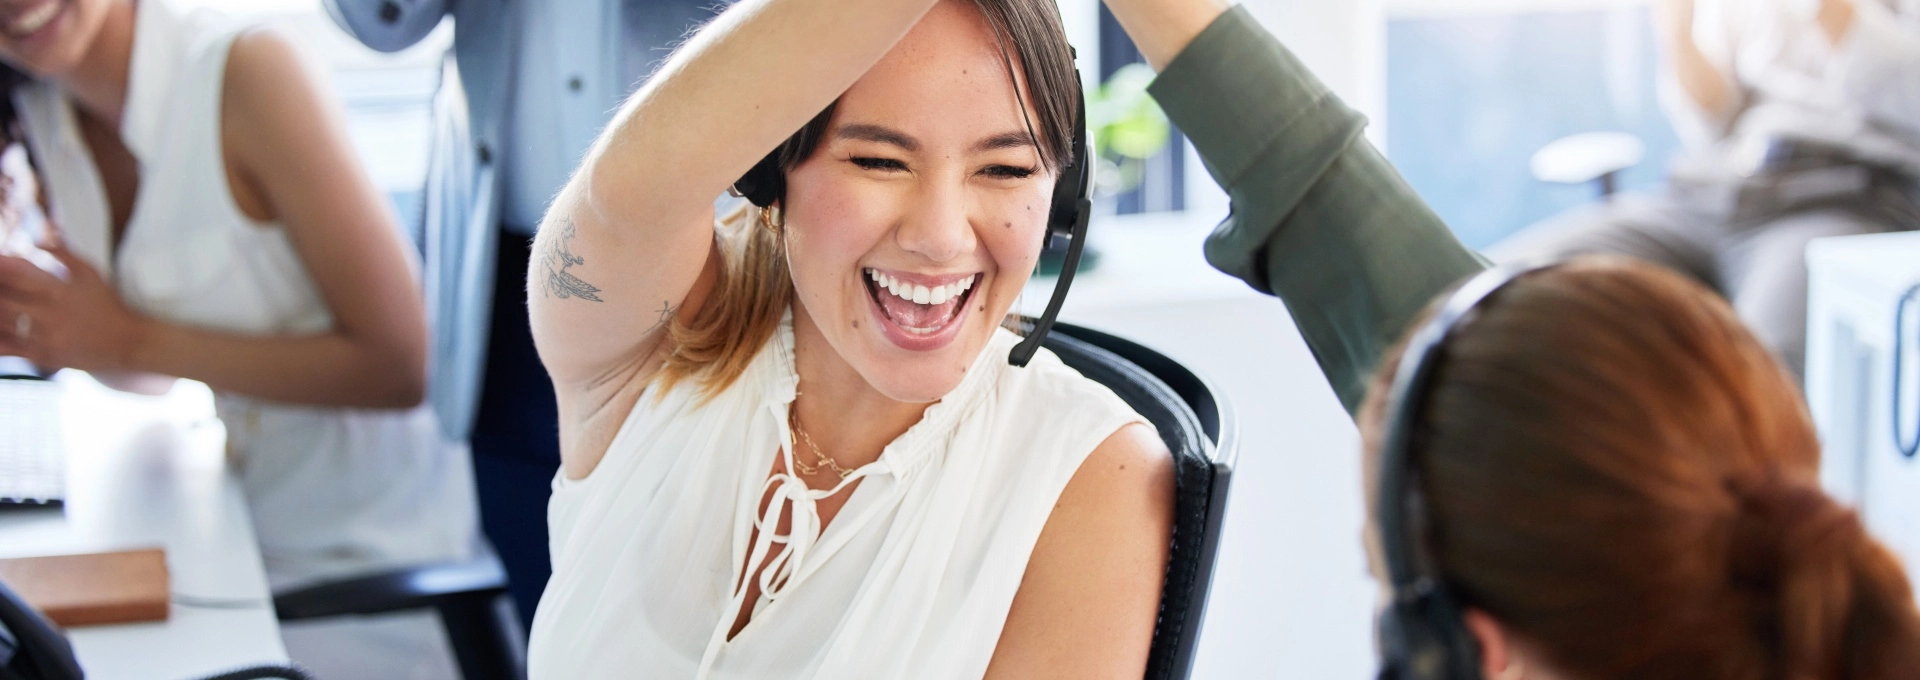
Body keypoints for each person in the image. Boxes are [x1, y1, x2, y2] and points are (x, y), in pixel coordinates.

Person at [1110, 0, 1920, 675]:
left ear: (1477, 654)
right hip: (1722, 182)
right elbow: (1452, 341)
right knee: (1512, 302)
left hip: (1861, 194)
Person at [521, 0, 1175, 676]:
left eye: (1005, 169)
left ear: (1061, 197)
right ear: (772, 171)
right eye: (878, 160)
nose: (940, 237)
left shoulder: (1095, 480)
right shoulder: (650, 339)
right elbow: (627, 188)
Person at [0, 0, 480, 674]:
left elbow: (401, 368)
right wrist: (58, 332)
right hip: (232, 528)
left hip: (358, 562)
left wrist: (120, 339)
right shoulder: (44, 109)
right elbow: (143, 369)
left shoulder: (246, 71)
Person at [323, 0, 734, 627]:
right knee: (545, 612)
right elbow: (384, 22)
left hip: (707, 274)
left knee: (700, 610)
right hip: (501, 297)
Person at [1494, 0, 1920, 380]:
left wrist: (1826, 8)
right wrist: (1678, 32)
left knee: (1766, 376)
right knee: (1494, 284)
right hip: (1712, 189)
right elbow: (1712, 126)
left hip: (1838, 198)